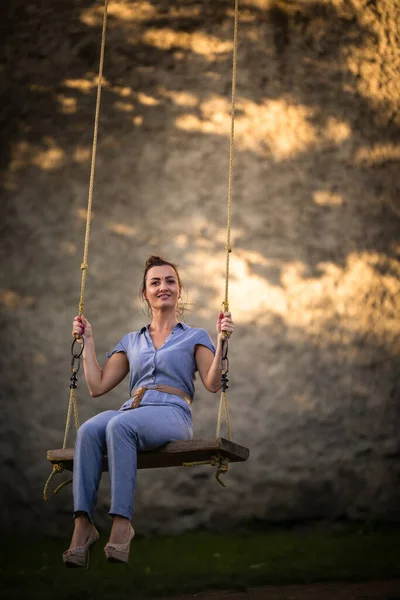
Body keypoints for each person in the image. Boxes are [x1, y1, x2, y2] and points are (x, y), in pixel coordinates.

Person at [62, 255, 234, 568]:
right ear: (145, 293)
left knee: (120, 427)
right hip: (132, 410)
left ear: (180, 290)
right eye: (155, 282)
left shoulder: (195, 336)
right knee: (87, 430)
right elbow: (97, 386)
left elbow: (212, 384)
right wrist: (87, 341)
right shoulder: (131, 341)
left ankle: (122, 523)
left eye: (170, 281)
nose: (163, 286)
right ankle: (83, 525)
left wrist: (221, 342)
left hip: (172, 414)